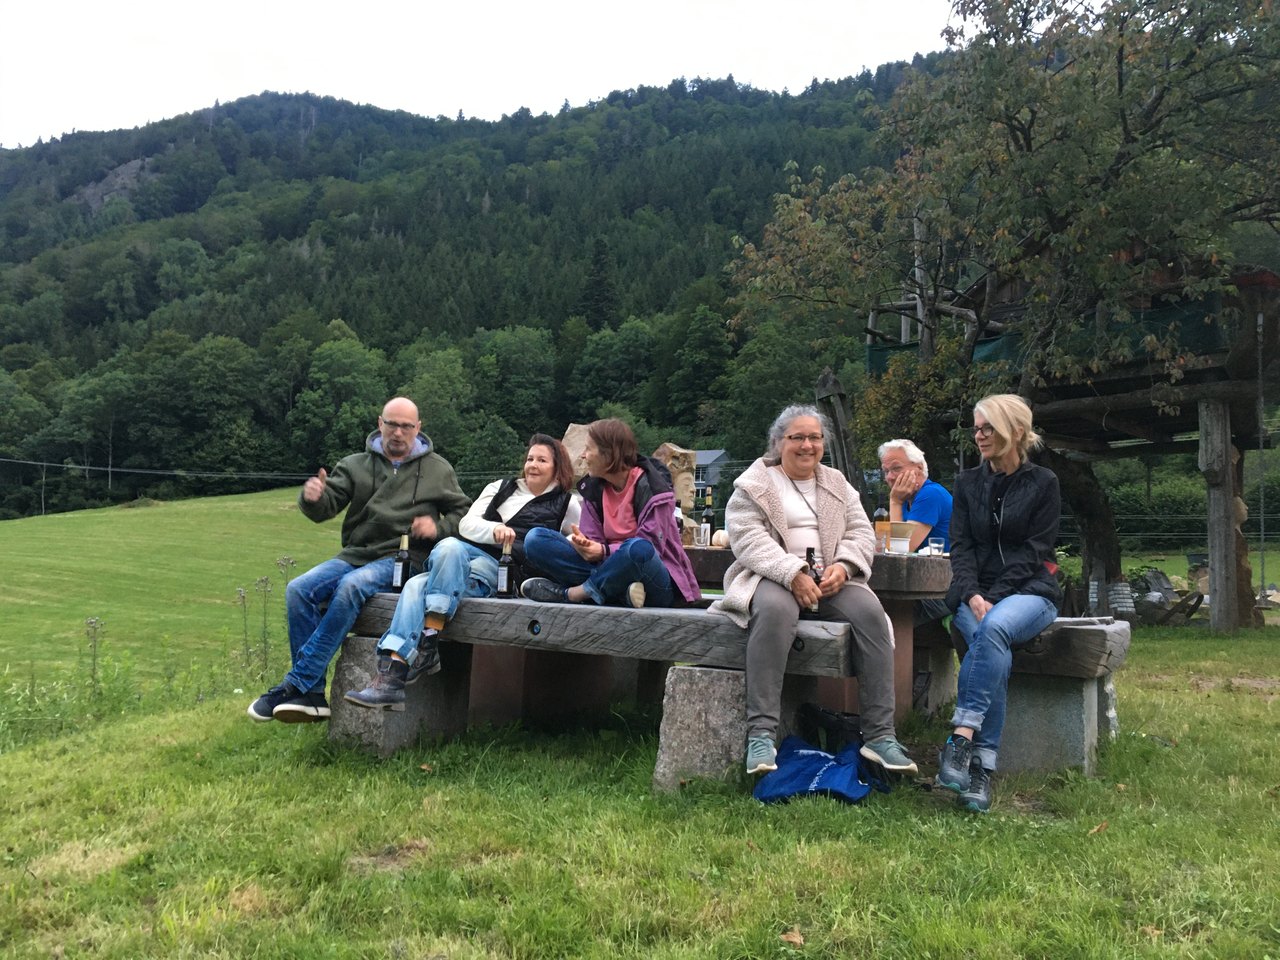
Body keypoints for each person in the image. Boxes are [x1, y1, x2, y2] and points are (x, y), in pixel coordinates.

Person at [711, 404, 917, 777]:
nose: (807, 445)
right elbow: (747, 538)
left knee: (871, 614)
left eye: (815, 437)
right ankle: (761, 735)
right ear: (778, 442)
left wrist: (845, 565)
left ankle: (879, 736)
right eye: (797, 437)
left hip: (831, 580)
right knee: (775, 612)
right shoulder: (754, 484)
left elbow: (860, 531)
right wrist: (792, 572)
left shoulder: (837, 483)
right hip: (771, 578)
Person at [247, 397, 470, 723]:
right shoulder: (354, 464)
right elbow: (326, 506)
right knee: (299, 589)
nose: (398, 432)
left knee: (351, 587)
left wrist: (437, 528)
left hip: (403, 558)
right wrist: (313, 498)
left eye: (406, 426)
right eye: (392, 424)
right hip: (356, 553)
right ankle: (312, 696)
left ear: (418, 428)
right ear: (380, 423)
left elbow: (464, 514)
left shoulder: (438, 469)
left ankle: (297, 684)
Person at [344, 435, 582, 709]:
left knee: (416, 586)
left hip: (501, 572)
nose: (533, 465)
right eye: (530, 459)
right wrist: (494, 530)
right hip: (462, 561)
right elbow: (467, 525)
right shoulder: (501, 487)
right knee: (449, 547)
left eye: (542, 460)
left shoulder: (567, 503)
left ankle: (392, 676)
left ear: (557, 467)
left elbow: (574, 542)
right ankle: (425, 643)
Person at [935, 394, 1062, 812]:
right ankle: (981, 771)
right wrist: (972, 594)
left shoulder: (1044, 483)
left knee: (993, 629)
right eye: (976, 428)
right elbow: (960, 546)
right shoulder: (967, 482)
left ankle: (961, 736)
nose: (979, 435)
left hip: (1030, 591)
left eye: (988, 427)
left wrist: (993, 597)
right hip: (973, 595)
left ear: (1016, 431)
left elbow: (1036, 551)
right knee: (994, 650)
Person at [520, 418, 700, 609]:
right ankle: (620, 594)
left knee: (638, 548)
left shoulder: (654, 487)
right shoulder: (593, 488)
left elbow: (652, 549)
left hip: (653, 578)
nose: (583, 455)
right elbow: (594, 543)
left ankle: (574, 594)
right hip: (607, 570)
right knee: (535, 539)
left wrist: (603, 551)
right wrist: (586, 546)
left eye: (588, 449)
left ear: (609, 454)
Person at [878, 437, 953, 625]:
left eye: (896, 468)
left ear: (918, 468)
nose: (890, 477)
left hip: (943, 591)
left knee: (883, 612)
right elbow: (882, 546)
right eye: (886, 471)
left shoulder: (930, 494)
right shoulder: (908, 499)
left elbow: (899, 551)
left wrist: (895, 502)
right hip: (919, 585)